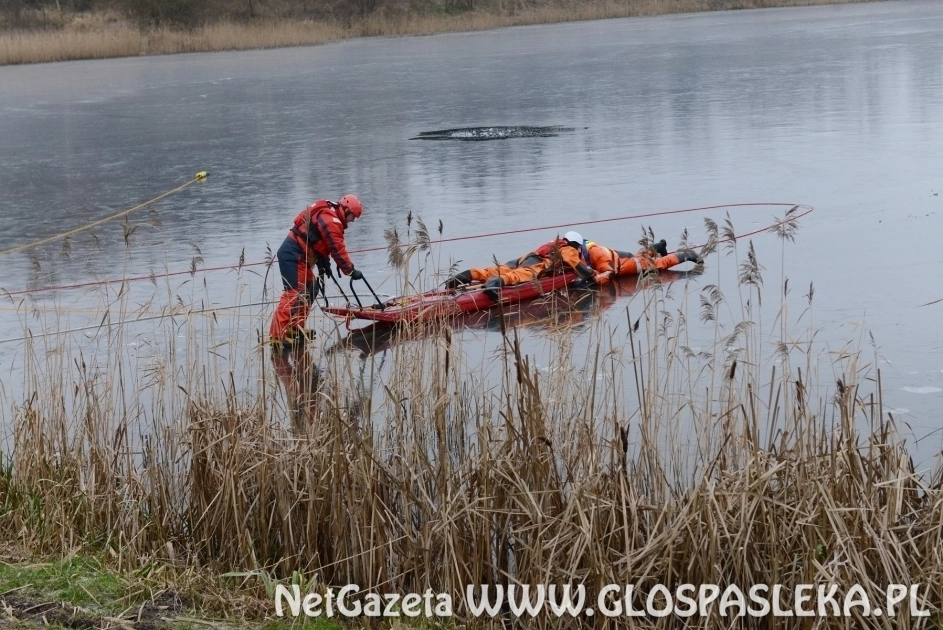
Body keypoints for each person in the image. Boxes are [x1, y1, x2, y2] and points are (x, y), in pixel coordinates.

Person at [269, 194, 364, 429]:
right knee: (294, 293)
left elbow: (320, 243)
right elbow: (337, 247)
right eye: (352, 217)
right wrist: (350, 270)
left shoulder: (330, 215)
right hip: (293, 255)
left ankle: (295, 329)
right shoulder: (333, 220)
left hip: (302, 256)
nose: (351, 222)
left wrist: (323, 263)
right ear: (346, 210)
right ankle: (277, 338)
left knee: (310, 289)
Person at [445, 231, 596, 301]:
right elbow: (578, 266)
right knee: (516, 276)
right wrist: (592, 273)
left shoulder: (555, 243)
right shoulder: (569, 249)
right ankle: (492, 286)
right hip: (537, 265)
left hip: (525, 258)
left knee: (494, 270)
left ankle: (463, 277)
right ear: (576, 244)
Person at [582, 237, 702, 285]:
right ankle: (659, 246)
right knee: (641, 257)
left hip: (628, 265)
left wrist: (592, 280)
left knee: (658, 264)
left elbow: (610, 273)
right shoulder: (586, 248)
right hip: (624, 260)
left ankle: (687, 254)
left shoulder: (595, 253)